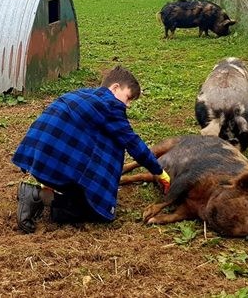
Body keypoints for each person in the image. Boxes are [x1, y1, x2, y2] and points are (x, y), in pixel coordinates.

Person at [11, 65, 170, 233]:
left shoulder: (82, 94)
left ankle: (46, 195)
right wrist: (160, 173)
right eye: (128, 98)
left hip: (38, 157)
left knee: (103, 144)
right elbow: (133, 143)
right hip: (55, 163)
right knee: (97, 211)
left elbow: (64, 134)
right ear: (115, 88)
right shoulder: (110, 106)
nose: (128, 105)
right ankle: (37, 197)